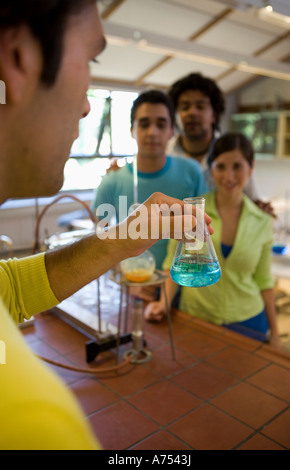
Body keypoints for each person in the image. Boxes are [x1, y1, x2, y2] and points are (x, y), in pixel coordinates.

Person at [0, 0, 213, 450]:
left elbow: (8, 291)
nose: (84, 108)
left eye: (161, 123)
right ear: (19, 59)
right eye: (91, 60)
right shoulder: (36, 422)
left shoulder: (191, 174)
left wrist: (114, 244)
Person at [145, 132, 280, 349]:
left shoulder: (263, 221)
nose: (228, 176)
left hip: (249, 323)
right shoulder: (191, 212)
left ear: (251, 167)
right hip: (197, 318)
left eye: (237, 166)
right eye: (221, 167)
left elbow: (264, 280)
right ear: (212, 170)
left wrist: (275, 332)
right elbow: (173, 264)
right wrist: (163, 304)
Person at [91, 89, 208, 272]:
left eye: (161, 125)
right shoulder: (112, 181)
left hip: (183, 283)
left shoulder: (191, 172)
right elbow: (98, 242)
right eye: (144, 124)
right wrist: (125, 273)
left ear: (172, 131)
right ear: (132, 130)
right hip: (133, 285)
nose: (153, 132)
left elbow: (206, 230)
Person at [167, 72, 275, 216]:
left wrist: (260, 208)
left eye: (200, 106)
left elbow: (251, 200)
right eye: (185, 107)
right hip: (179, 234)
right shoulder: (166, 155)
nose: (192, 112)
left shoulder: (233, 153)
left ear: (214, 114)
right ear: (176, 114)